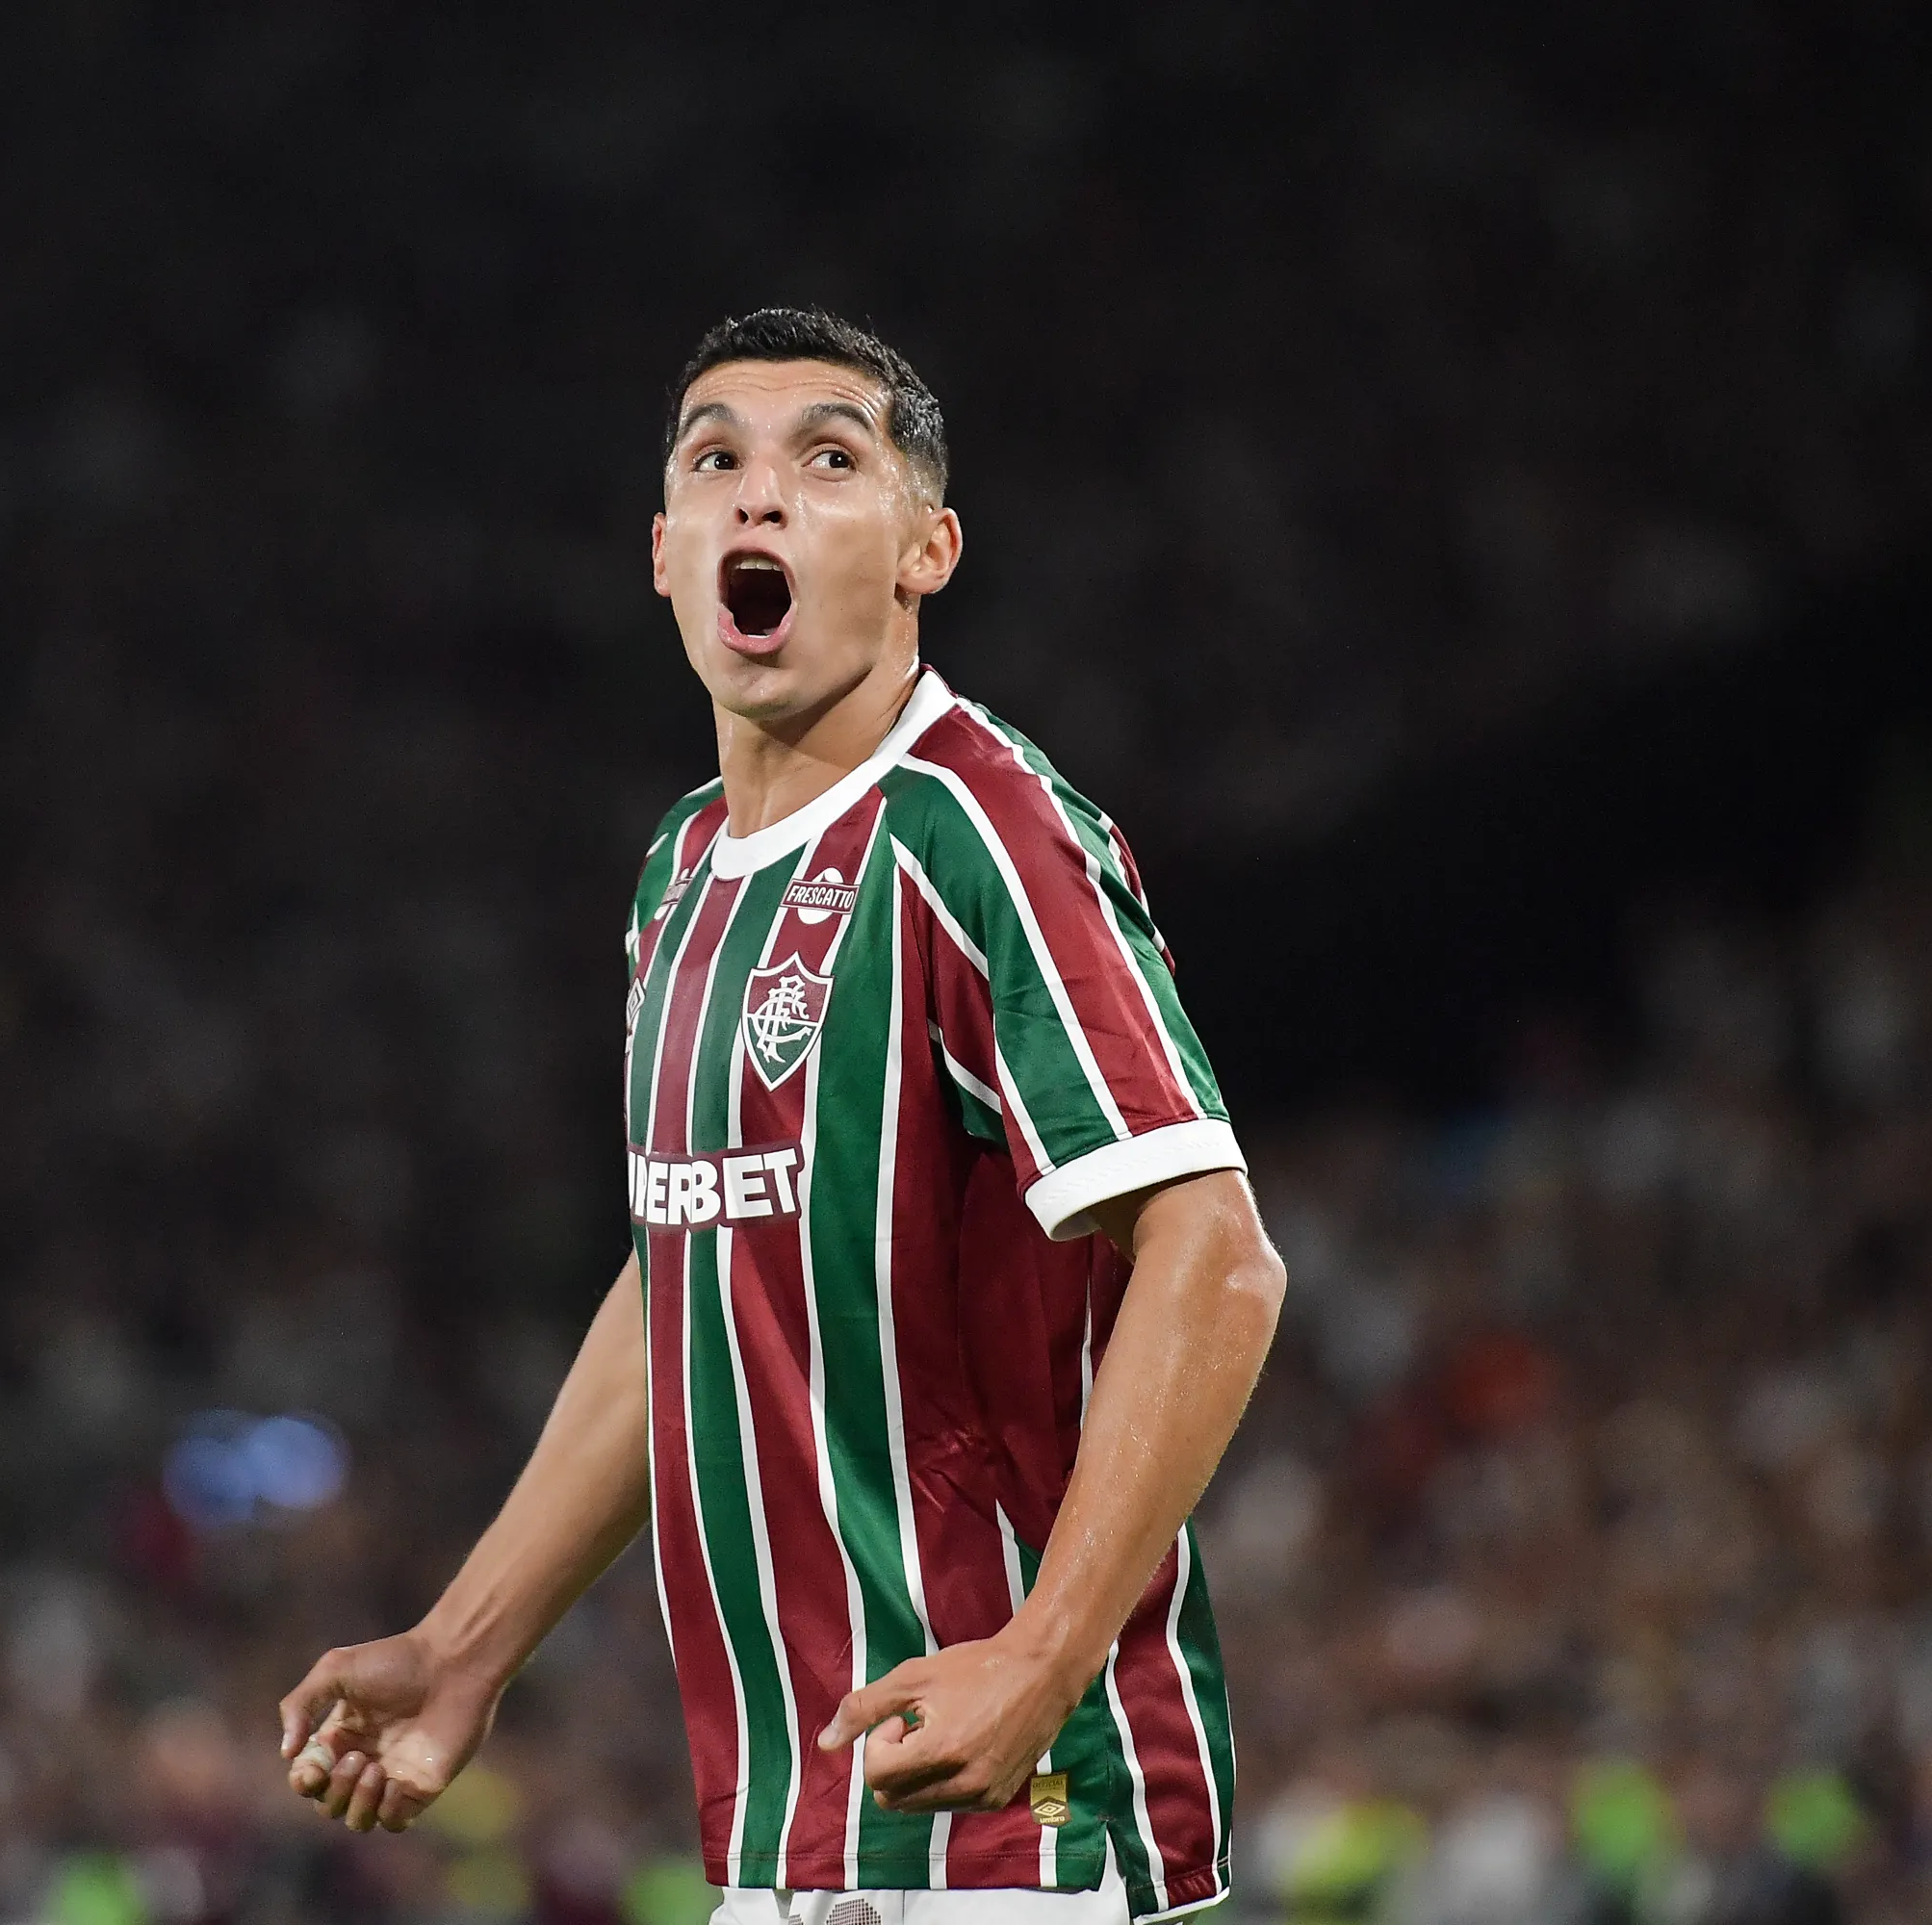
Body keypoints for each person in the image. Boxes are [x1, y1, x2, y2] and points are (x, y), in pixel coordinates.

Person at [279, 309, 1288, 1924]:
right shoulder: (681, 875)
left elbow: (1217, 1256)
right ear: (663, 554)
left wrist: (1042, 1654)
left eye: (829, 458)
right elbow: (688, 1273)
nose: (759, 493)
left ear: (925, 551)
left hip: (1021, 1819)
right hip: (792, 1830)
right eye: (715, 461)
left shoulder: (976, 829)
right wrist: (466, 1645)